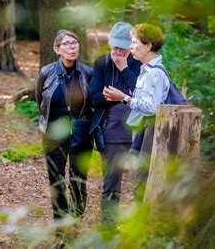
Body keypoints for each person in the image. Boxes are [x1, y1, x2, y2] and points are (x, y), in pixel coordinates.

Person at [102, 23, 169, 202]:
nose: (130, 47)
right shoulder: (145, 71)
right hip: (144, 130)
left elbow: (151, 107)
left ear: (148, 46)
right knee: (139, 181)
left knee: (144, 183)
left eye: (134, 42)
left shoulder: (154, 73)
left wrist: (123, 97)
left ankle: (146, 226)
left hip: (152, 131)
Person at [35, 29, 93, 222]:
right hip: (53, 135)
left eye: (75, 43)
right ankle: (61, 226)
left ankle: (76, 222)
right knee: (56, 182)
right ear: (57, 49)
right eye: (67, 44)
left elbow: (92, 105)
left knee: (78, 181)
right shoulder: (46, 72)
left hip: (81, 135)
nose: (72, 47)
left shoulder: (87, 72)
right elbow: (40, 101)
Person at [89, 22, 142, 222]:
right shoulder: (102, 63)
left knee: (141, 183)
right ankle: (109, 230)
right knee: (111, 184)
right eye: (115, 47)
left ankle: (139, 229)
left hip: (139, 131)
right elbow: (94, 96)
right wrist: (113, 97)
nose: (118, 51)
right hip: (112, 132)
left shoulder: (139, 63)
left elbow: (141, 94)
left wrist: (124, 68)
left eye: (123, 47)